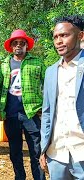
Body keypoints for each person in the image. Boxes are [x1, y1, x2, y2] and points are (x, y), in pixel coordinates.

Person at [0, 29, 46, 180]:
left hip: (31, 113)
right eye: (15, 43)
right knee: (15, 152)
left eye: (21, 43)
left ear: (26, 46)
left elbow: (48, 85)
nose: (18, 45)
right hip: (11, 115)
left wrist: (45, 107)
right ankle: (19, 177)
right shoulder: (4, 64)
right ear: (11, 46)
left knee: (37, 151)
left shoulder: (37, 63)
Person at [40, 16, 84, 179]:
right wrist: (43, 148)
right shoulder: (51, 71)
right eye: (56, 37)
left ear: (80, 36)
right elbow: (47, 112)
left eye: (64, 35)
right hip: (57, 155)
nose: (58, 41)